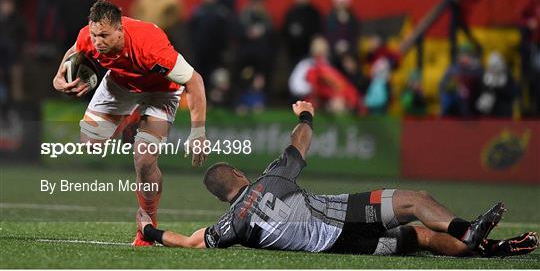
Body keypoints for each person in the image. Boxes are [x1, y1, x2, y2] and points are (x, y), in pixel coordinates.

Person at [137, 100, 538, 258]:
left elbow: (188, 241)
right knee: (416, 200)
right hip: (346, 211)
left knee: (419, 238)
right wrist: (306, 114)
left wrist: (151, 231)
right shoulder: (272, 178)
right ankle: (473, 234)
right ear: (238, 173)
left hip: (344, 244)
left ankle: (487, 246)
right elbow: (301, 143)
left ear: (220, 198)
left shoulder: (231, 226)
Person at [51, 0, 208, 246]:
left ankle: (147, 222)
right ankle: (132, 116)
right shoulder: (88, 37)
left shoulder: (151, 48)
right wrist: (58, 77)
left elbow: (195, 80)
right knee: (90, 143)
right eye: (94, 34)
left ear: (120, 30)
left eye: (103, 35)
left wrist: (197, 133)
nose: (97, 41)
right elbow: (75, 51)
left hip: (160, 92)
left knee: (144, 158)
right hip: (121, 84)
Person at [282, 0, 322, 67]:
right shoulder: (290, 12)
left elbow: (318, 32)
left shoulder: (314, 13)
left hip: (309, 52)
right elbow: (284, 31)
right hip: (292, 53)